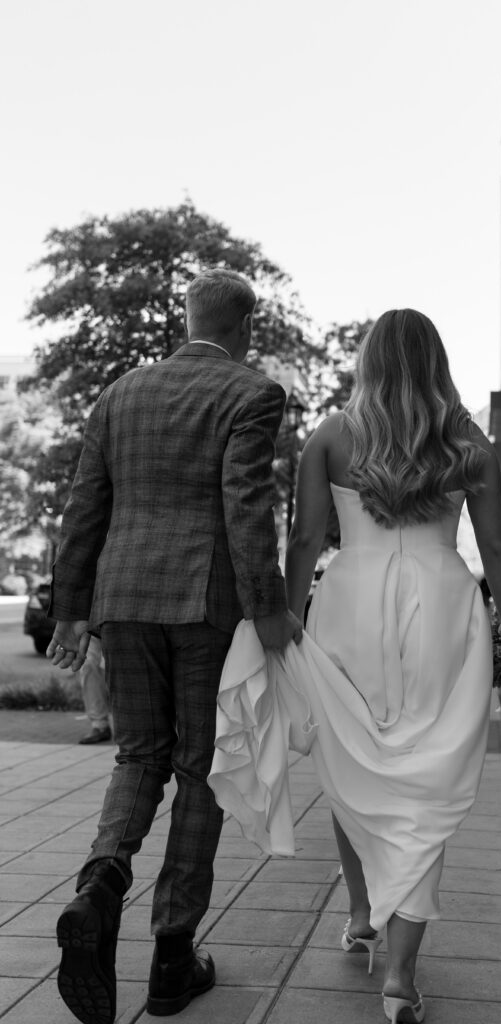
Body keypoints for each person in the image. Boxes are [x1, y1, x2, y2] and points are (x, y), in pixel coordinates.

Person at [210, 309, 501, 1024]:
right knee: (421, 786)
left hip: (348, 605)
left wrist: (283, 624)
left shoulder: (331, 434)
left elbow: (302, 538)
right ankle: (399, 978)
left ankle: (359, 914)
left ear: (369, 360)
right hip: (444, 610)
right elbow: (499, 551)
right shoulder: (468, 442)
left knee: (355, 768)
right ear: (435, 361)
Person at [47, 268, 302, 1024]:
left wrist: (71, 609)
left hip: (122, 601)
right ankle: (170, 958)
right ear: (244, 324)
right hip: (205, 605)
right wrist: (270, 608)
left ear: (186, 316)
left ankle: (100, 882)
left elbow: (83, 505)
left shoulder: (118, 394)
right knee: (197, 771)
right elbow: (244, 506)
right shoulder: (252, 394)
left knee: (137, 756)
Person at [78, 636, 112, 744]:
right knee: (89, 665)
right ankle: (100, 725)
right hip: (90, 623)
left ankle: (131, 724)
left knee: (116, 664)